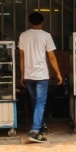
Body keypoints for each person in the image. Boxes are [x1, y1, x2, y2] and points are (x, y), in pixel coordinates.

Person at [18, 12, 63, 143]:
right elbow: (52, 56)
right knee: (40, 103)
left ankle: (41, 126)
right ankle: (35, 130)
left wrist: (22, 75)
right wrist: (58, 73)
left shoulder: (23, 35)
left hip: (29, 75)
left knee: (35, 102)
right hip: (41, 75)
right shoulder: (46, 36)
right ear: (42, 22)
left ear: (30, 22)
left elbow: (21, 57)